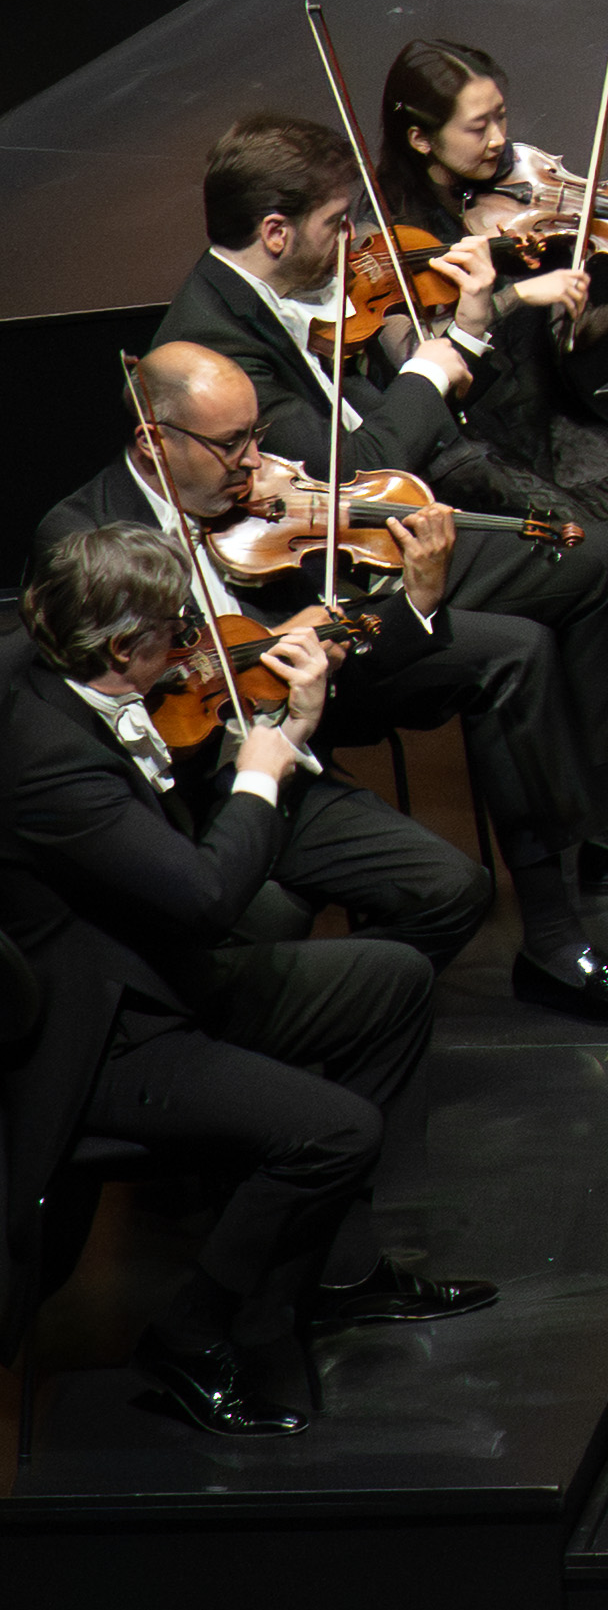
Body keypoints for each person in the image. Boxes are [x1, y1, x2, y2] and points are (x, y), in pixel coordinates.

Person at [0, 527, 474, 1444]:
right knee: (337, 1131)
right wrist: (269, 763)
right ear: (114, 651)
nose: (192, 651)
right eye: (173, 638)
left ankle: (330, 1271)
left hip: (152, 961)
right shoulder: (48, 763)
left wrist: (283, 729)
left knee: (395, 978)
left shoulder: (44, 650)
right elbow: (207, 897)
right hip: (108, 1028)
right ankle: (196, 1330)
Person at [52, 330, 608, 1012]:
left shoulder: (242, 505)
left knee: (462, 874)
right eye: (231, 446)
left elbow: (344, 644)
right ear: (155, 446)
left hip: (295, 726)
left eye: (257, 435)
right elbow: (114, 714)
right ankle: (281, 1023)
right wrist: (263, 673)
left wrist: (412, 599)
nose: (256, 462)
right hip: (195, 782)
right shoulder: (82, 541)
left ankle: (487, 958)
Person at [171, 101, 608, 869]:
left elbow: (411, 401)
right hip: (317, 565)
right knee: (568, 589)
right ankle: (597, 836)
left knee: (599, 557)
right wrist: (435, 359)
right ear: (275, 233)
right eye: (335, 222)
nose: (354, 240)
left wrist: (470, 325)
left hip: (378, 511)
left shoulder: (292, 291)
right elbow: (352, 469)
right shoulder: (222, 343)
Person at [354, 34, 608, 817]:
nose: (502, 142)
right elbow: (419, 361)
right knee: (593, 533)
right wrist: (513, 297)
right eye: (478, 127)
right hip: (470, 445)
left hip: (551, 418)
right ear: (419, 138)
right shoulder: (391, 235)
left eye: (501, 117)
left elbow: (576, 340)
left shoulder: (528, 200)